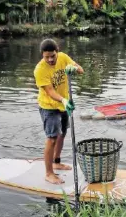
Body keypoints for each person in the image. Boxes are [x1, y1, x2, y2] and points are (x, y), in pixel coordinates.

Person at [34, 39, 84, 185]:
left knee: (62, 134)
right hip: (49, 106)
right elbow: (49, 91)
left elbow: (81, 70)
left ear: (57, 52)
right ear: (42, 55)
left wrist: (74, 69)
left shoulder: (63, 57)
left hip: (64, 104)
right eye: (46, 57)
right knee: (52, 138)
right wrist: (63, 100)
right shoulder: (40, 69)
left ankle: (57, 162)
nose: (50, 59)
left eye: (52, 56)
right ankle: (49, 173)